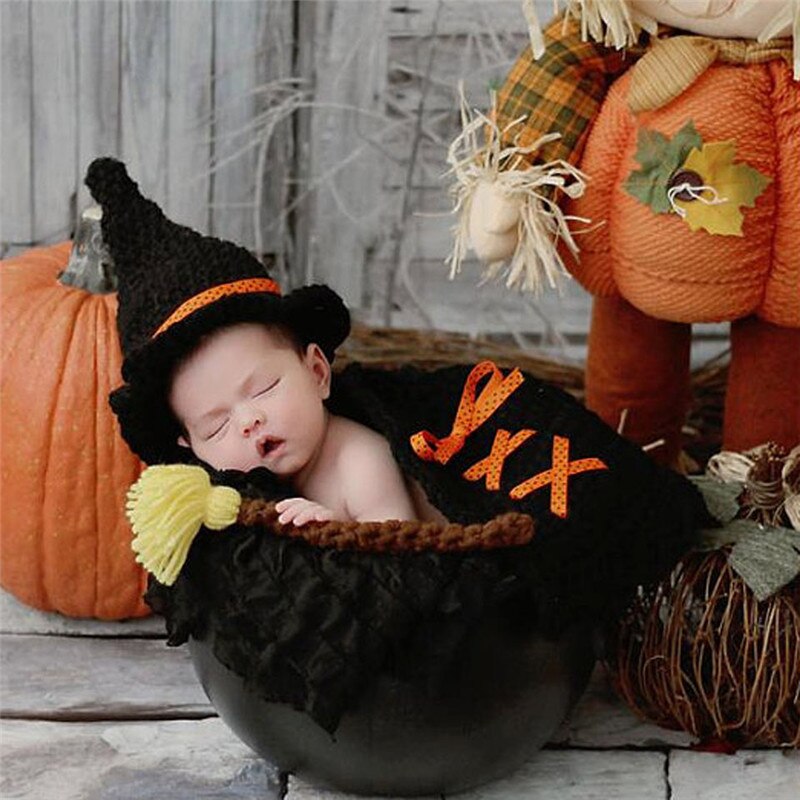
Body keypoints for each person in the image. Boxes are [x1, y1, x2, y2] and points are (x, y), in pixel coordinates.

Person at [168, 319, 424, 526]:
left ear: (317, 373)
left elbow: (400, 558)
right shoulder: (223, 495)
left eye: (264, 389)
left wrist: (335, 535)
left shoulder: (361, 461)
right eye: (217, 427)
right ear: (191, 450)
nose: (248, 421)